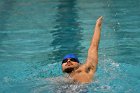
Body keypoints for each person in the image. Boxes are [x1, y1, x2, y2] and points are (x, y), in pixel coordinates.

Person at [61, 16, 103, 83]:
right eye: (65, 61)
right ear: (61, 67)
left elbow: (93, 47)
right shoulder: (60, 80)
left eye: (73, 59)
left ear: (79, 64)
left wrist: (98, 26)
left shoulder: (87, 70)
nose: (68, 61)